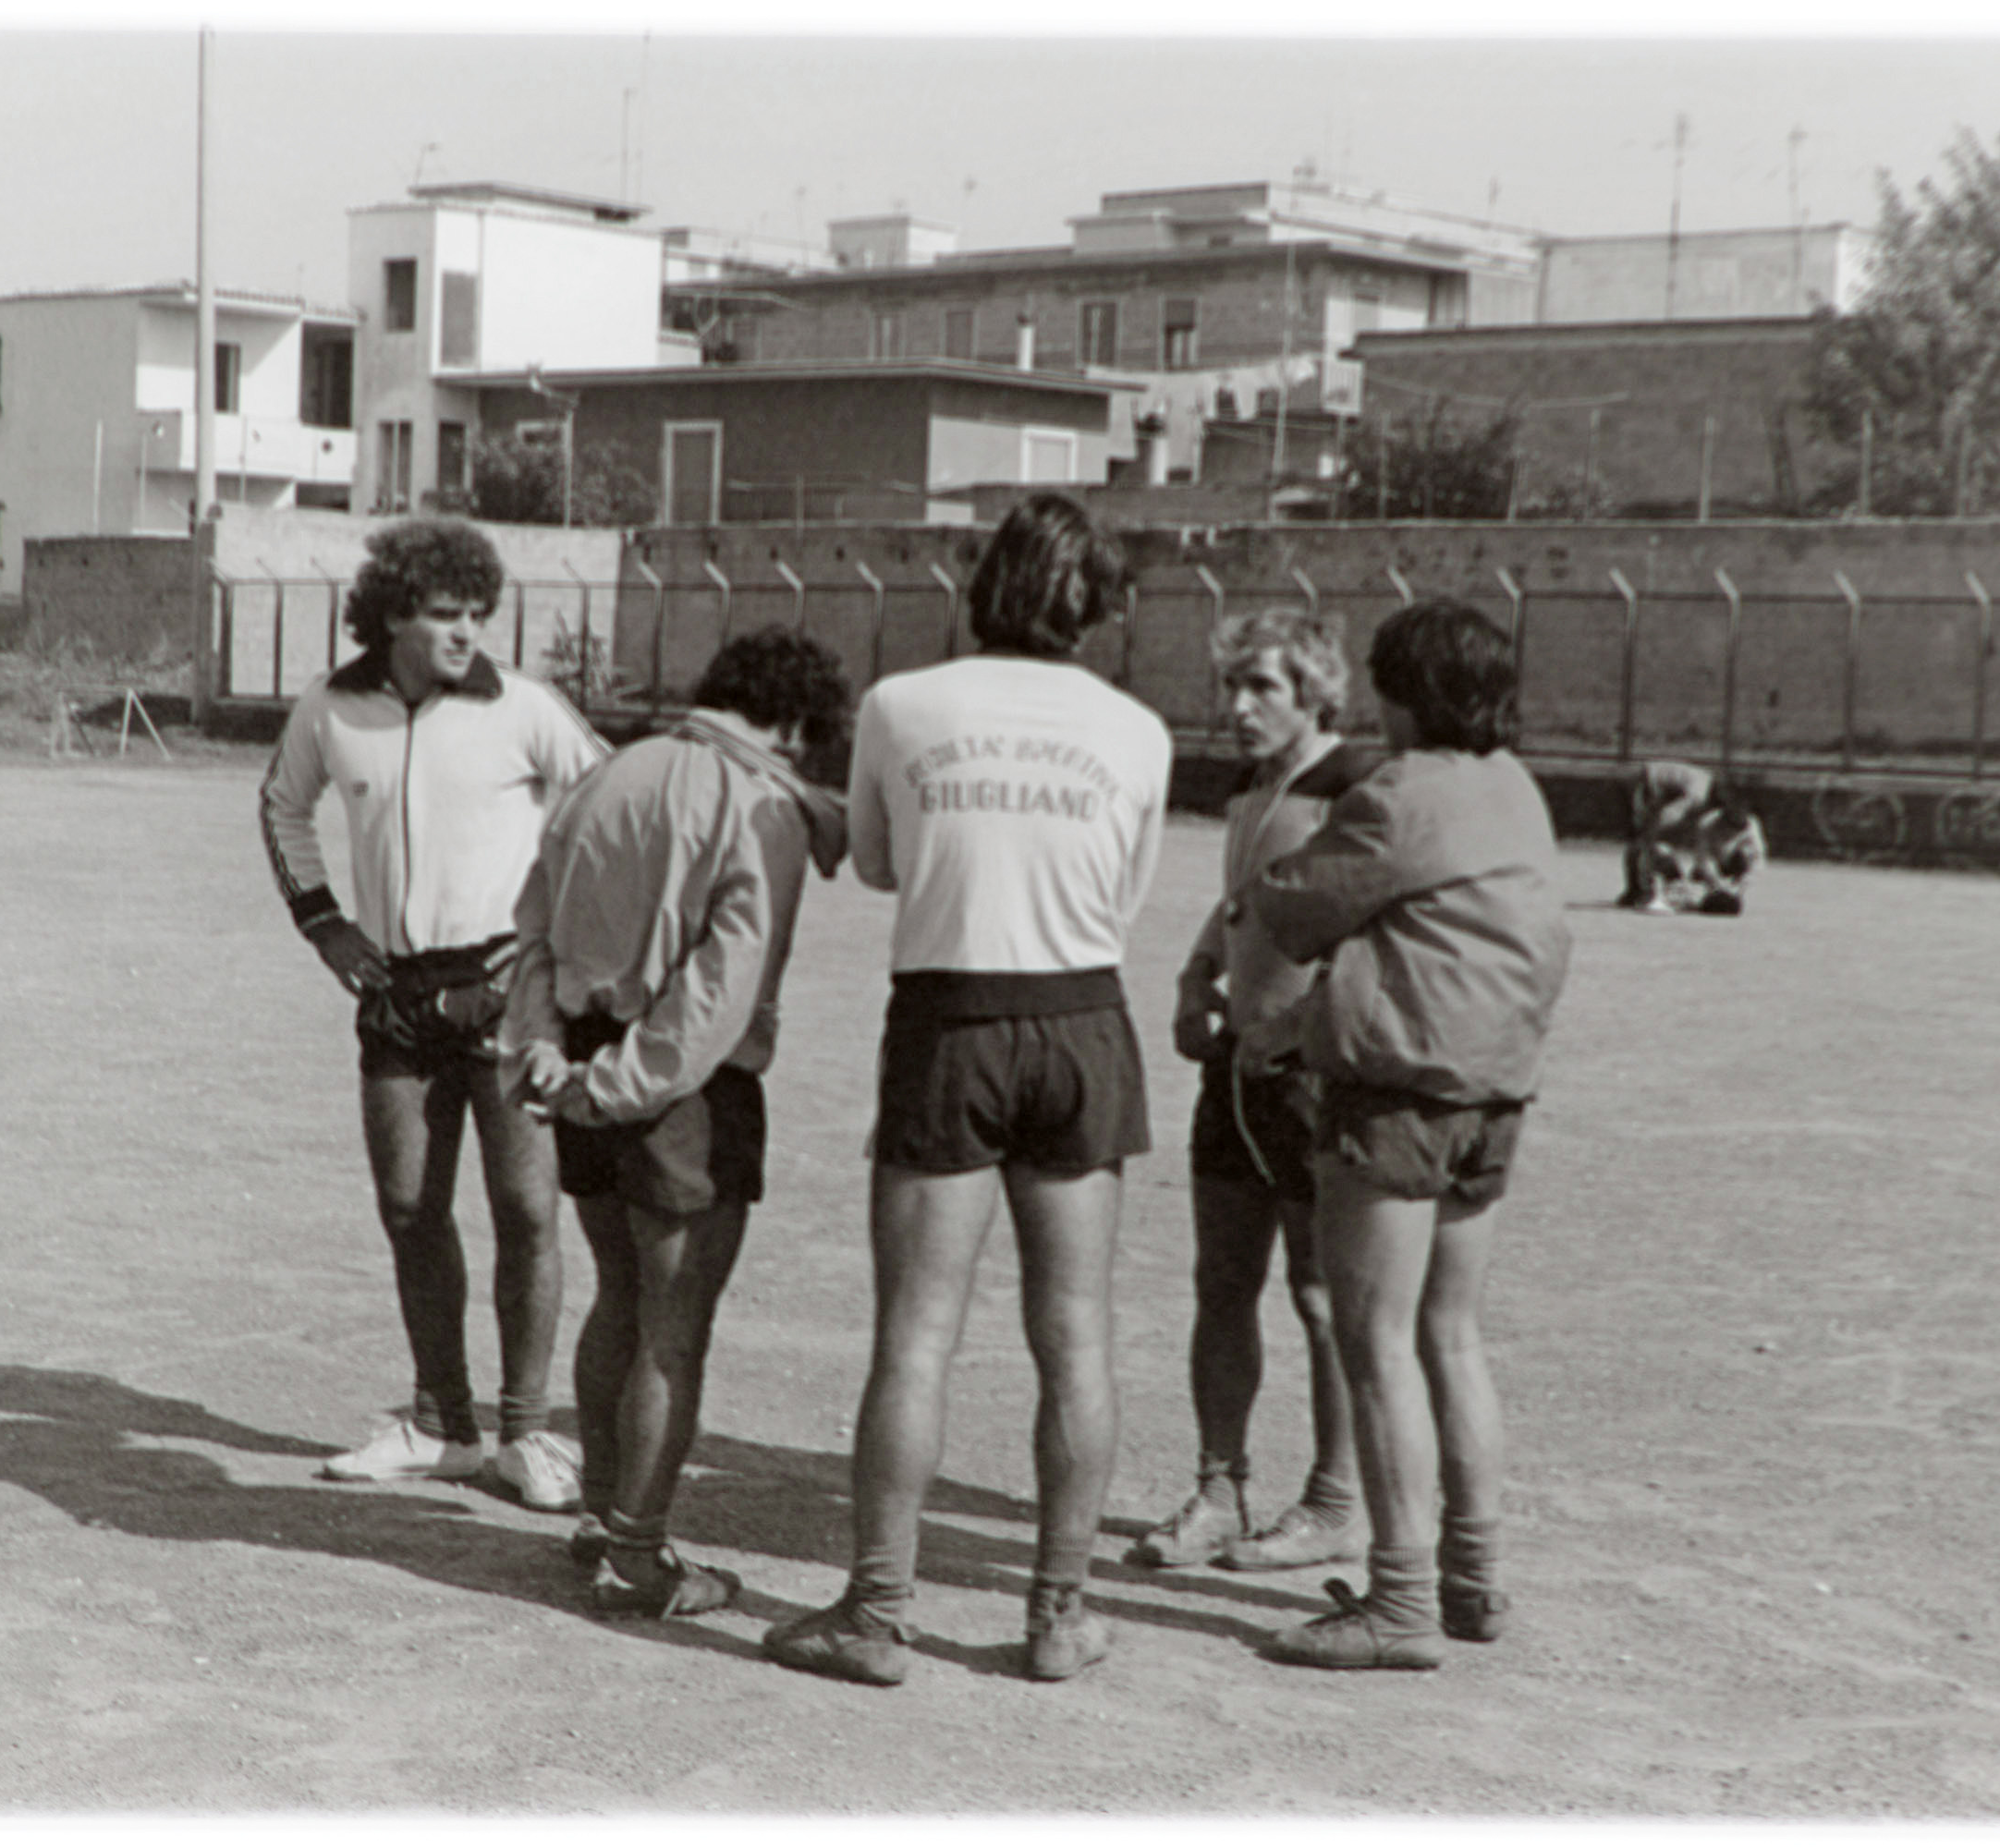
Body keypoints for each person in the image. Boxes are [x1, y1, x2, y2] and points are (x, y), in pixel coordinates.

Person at [762, 492, 1173, 1687]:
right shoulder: (1137, 729)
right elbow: (1126, 896)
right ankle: (1057, 1614)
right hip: (1083, 1018)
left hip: (950, 1019)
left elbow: (880, 862)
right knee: (1077, 1331)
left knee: (917, 1335)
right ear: (1094, 605)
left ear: (982, 583)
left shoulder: (901, 703)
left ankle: (877, 1617)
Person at [497, 627, 853, 1623]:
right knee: (673, 1330)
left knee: (618, 1300)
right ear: (791, 721)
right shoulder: (761, 804)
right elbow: (717, 992)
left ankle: (604, 1520)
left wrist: (552, 1058)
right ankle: (637, 1554)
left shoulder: (611, 773)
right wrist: (621, 1082)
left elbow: (531, 927)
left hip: (582, 1055)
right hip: (677, 1090)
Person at [1248, 598, 1571, 1670]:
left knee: (1371, 1338)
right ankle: (1472, 1576)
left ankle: (1396, 1604)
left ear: (1401, 691)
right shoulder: (1514, 787)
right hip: (1494, 1091)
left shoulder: (1397, 793)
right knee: (1451, 1334)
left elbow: (1291, 909)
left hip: (1398, 1093)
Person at [261, 518, 605, 1502]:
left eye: (475, 614)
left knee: (528, 1210)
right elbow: (282, 804)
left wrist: (555, 953)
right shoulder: (331, 707)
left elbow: (613, 810)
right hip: (397, 997)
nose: (467, 632)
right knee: (411, 1207)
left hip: (509, 990)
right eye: (445, 614)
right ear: (394, 615)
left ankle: (528, 1436)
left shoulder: (525, 708)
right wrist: (325, 922)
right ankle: (442, 1421)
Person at [1132, 608, 1386, 1574]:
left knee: (1323, 1294)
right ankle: (1220, 1487)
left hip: (1311, 1080)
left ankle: (1333, 1501)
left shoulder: (1353, 785)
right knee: (1221, 1284)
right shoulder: (1252, 789)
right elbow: (1242, 896)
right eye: (1231, 686)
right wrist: (1198, 974)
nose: (1237, 707)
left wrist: (1298, 1023)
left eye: (1261, 688)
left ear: (1316, 689)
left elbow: (1372, 924)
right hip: (1233, 1076)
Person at [1618, 759, 1766, 916]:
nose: (1728, 802)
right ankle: (1646, 893)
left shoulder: (1705, 783)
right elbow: (1671, 813)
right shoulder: (1700, 793)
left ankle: (1633, 891)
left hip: (1643, 777)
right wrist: (1653, 833)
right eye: (1729, 796)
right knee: (1646, 841)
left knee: (1639, 840)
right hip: (1642, 780)